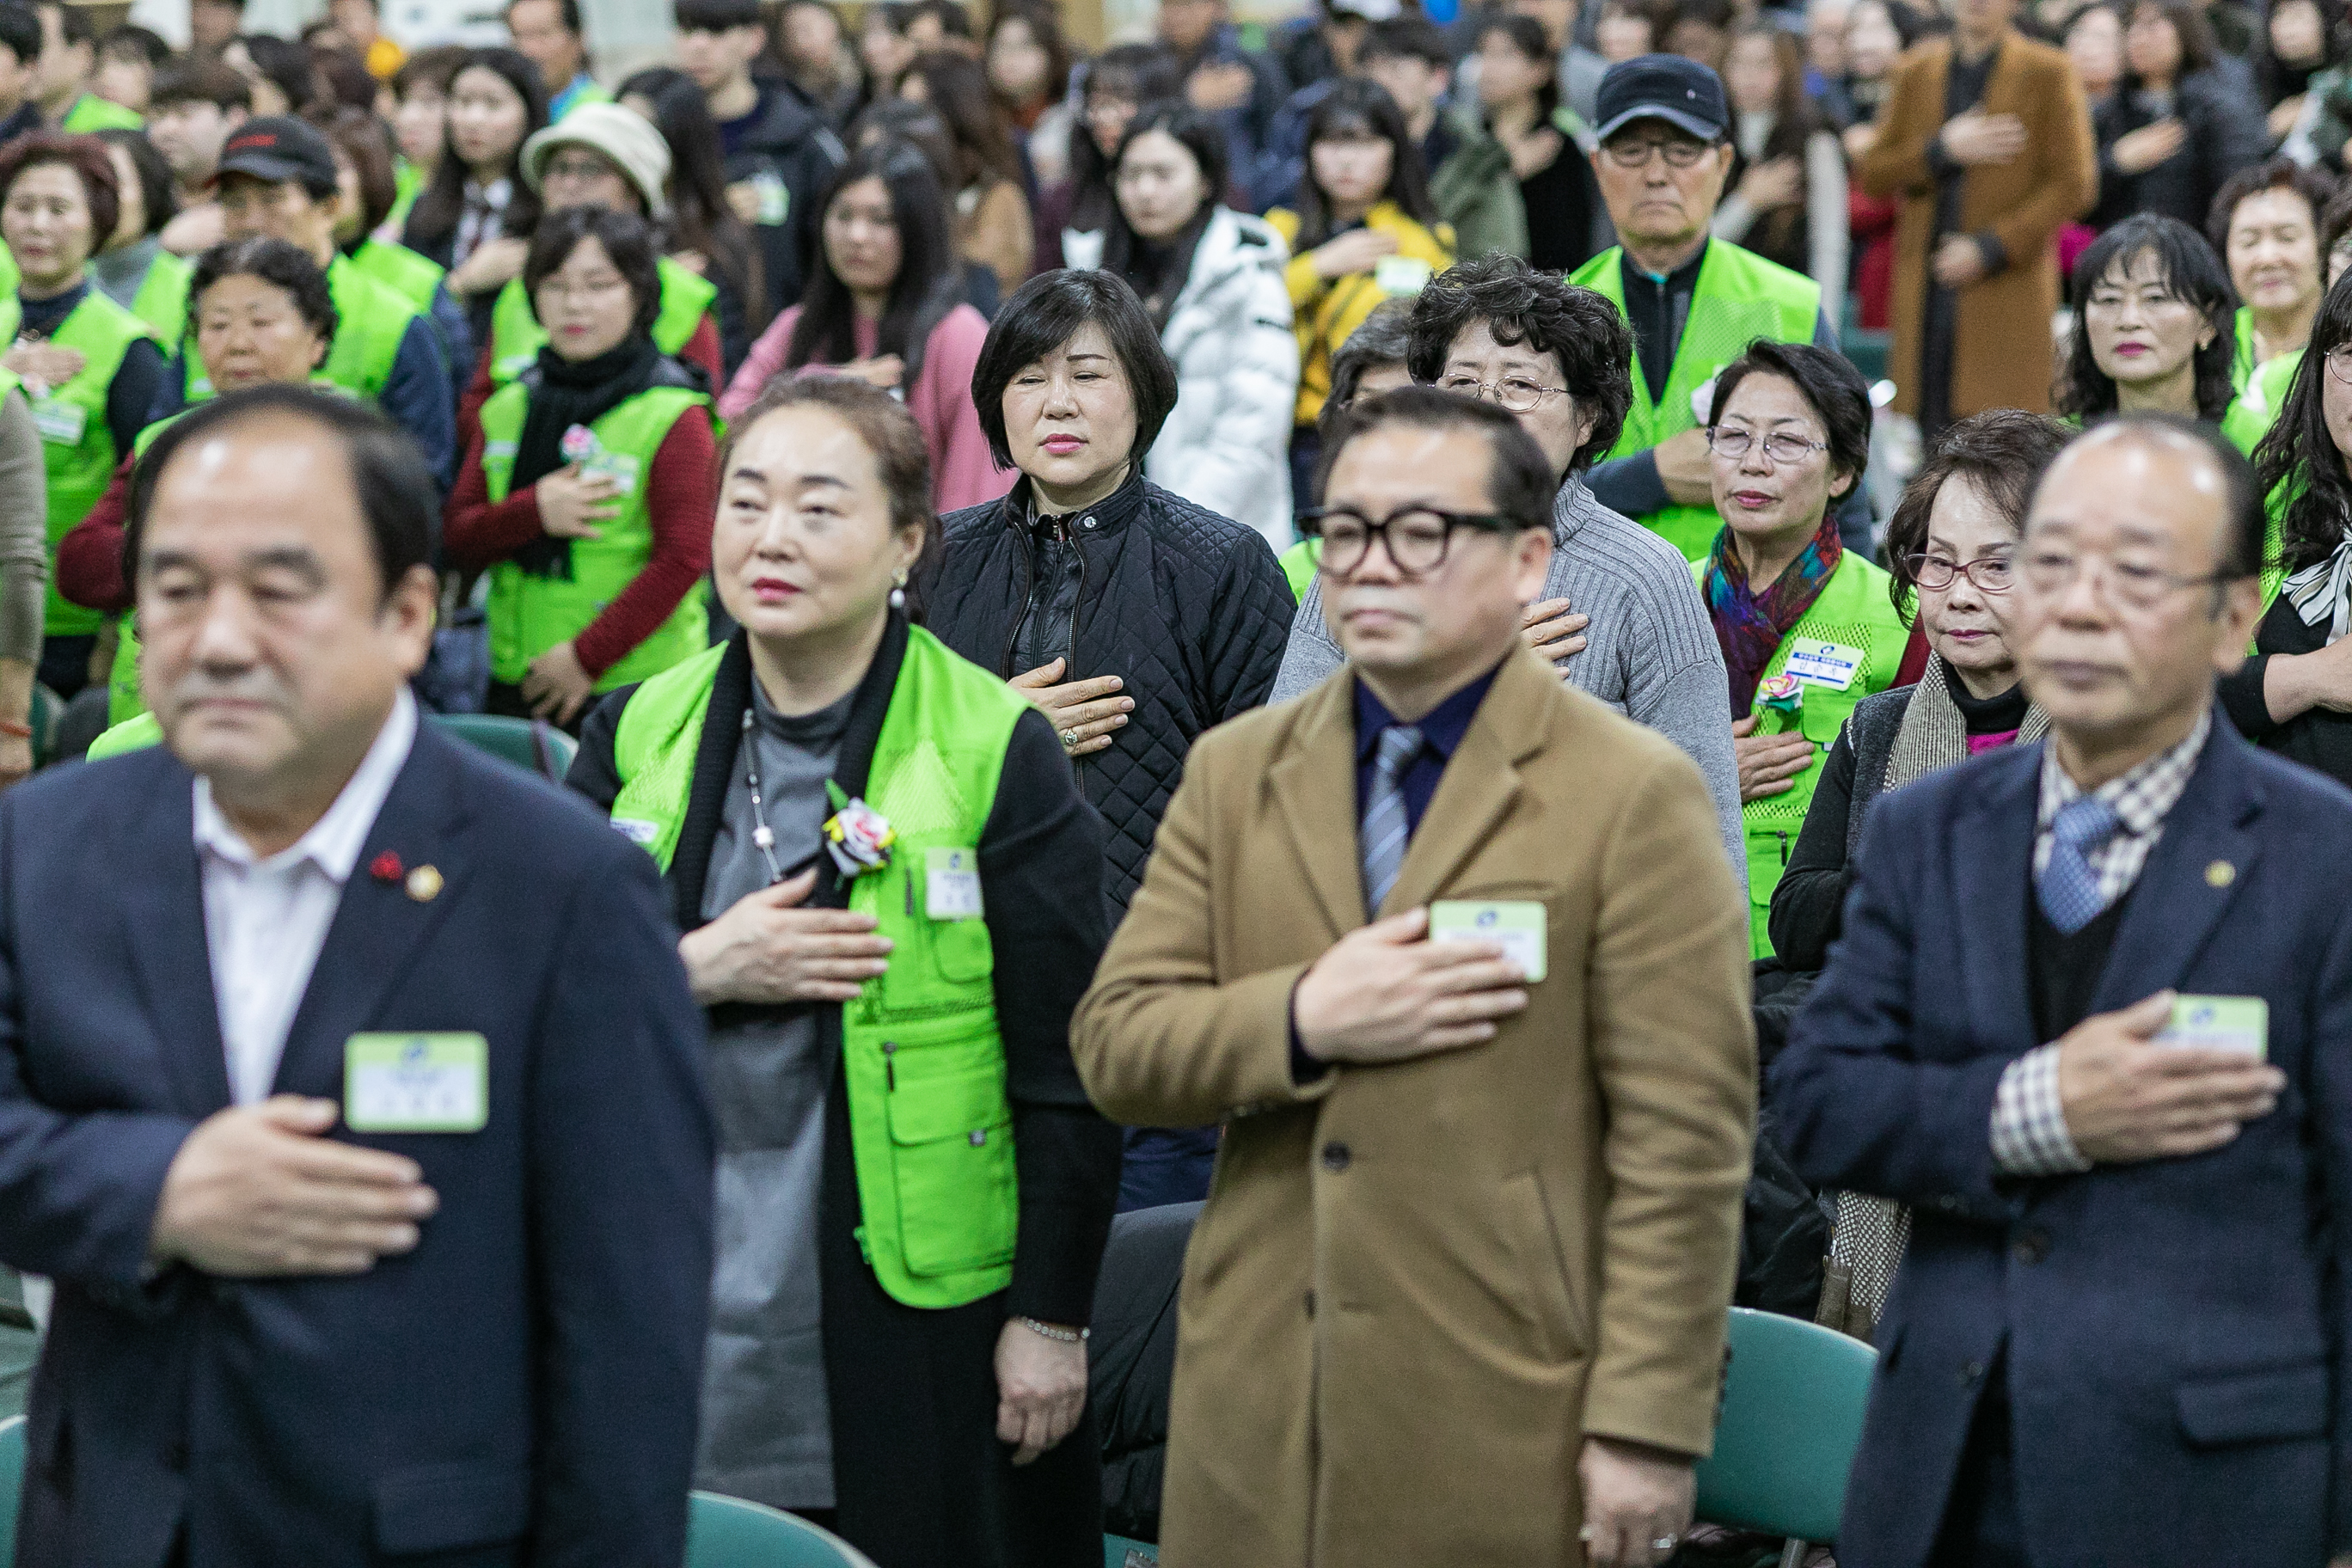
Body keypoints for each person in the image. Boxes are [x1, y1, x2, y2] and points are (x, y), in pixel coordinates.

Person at [0, 381, 714, 1565]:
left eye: (280, 590)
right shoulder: (49, 843)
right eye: (176, 589)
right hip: (117, 1527)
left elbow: (626, 1339)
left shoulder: (563, 893)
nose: (219, 638)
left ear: (408, 615)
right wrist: (158, 1188)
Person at [1071, 384, 1755, 1568]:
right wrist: (1303, 1017)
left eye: (1424, 534)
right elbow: (1123, 1047)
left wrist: (1647, 1425)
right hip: (1258, 1395)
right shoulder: (1241, 772)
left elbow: (1683, 1144)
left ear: (1529, 560)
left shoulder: (1630, 796)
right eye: (1345, 532)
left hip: (1500, 1397)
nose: (1373, 566)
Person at [1769, 415, 2348, 1568]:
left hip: (2213, 1479)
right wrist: (2035, 1111)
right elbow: (1823, 1103)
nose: (2078, 606)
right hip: (1944, 1466)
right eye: (2053, 565)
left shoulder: (2322, 862)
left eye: (2134, 574)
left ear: (2236, 614)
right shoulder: (1931, 829)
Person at [565, 373, 1118, 1568]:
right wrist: (701, 966)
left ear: (908, 541)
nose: (772, 538)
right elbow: (534, 1004)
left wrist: (1050, 1317)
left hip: (898, 1290)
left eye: (821, 508)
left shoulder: (991, 748)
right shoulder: (635, 730)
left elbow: (1067, 1061)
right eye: (747, 502)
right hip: (669, 1280)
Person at [919, 270, 1291, 1209]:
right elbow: (875, 769)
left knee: (1141, 1307)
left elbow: (1277, 801)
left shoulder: (1221, 564)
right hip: (966, 1000)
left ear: (1143, 394)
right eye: (1029, 378)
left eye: (1088, 374)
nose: (1057, 403)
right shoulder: (936, 561)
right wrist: (999, 735)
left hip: (1158, 1012)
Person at [1275, 254, 1749, 882]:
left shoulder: (1644, 576)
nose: (1486, 411)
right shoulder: (1365, 553)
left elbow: (1701, 824)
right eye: (1462, 385)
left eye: (1521, 386)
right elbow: (1284, 768)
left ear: (1586, 419)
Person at [1767, 408, 2067, 1006]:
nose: (1959, 596)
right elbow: (1795, 922)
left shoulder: (2106, 735)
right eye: (1938, 561)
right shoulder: (1878, 724)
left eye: (1997, 566)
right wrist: (1919, 860)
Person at [1570, 55, 1856, 564]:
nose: (1657, 174)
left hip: (1757, 616)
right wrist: (1650, 477)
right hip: (1588, 615)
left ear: (1724, 165)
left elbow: (1847, 489)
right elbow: (1519, 495)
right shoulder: (1561, 313)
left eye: (1682, 152)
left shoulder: (1787, 304)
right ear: (1597, 165)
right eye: (1631, 152)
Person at [445, 205, 715, 730]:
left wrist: (585, 657)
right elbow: (458, 535)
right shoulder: (508, 405)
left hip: (636, 686)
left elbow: (685, 559)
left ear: (638, 295)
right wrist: (533, 511)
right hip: (516, 677)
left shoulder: (673, 412)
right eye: (554, 285)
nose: (575, 305)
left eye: (599, 285)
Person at [58, 236, 340, 726]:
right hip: (144, 726)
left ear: (316, 338)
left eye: (261, 322)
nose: (237, 343)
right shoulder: (163, 442)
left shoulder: (349, 452)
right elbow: (78, 565)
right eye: (217, 325)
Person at [1701, 340, 1907, 957]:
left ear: (1842, 472)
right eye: (1732, 437)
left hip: (1807, 957)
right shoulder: (1658, 595)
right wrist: (1701, 778)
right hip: (1662, 927)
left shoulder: (1904, 613)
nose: (1753, 463)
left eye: (1786, 442)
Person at [722, 142, 1007, 515]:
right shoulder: (799, 324)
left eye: (880, 220)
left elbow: (974, 495)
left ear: (917, 231)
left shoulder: (957, 334)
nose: (856, 236)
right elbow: (726, 426)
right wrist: (821, 390)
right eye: (842, 216)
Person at [1857, 0, 2096, 438]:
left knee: (2004, 442)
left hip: (2006, 285)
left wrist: (1990, 247)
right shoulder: (1914, 69)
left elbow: (2075, 185)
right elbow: (1874, 172)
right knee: (1925, 437)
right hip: (1925, 290)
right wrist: (1941, 150)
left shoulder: (2048, 70)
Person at [183, 116, 456, 492]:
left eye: (273, 199)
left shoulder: (395, 323)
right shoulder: (204, 313)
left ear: (329, 208)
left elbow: (425, 483)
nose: (251, 221)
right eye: (235, 204)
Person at [0, 132, 164, 701]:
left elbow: (141, 499)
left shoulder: (129, 348)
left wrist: (113, 629)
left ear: (97, 222)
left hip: (67, 627)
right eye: (22, 207)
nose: (37, 226)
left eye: (58, 209)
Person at [1101, 101, 1298, 549]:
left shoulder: (1246, 270)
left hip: (1221, 534)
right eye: (1131, 176)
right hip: (1118, 529)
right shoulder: (1101, 266)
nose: (1145, 192)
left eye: (1164, 174)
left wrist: (1179, 527)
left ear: (1206, 180)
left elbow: (1254, 426)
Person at [1267, 79, 1455, 502]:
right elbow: (1241, 307)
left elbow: (1439, 336)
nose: (1346, 160)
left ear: (1394, 152)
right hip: (1287, 434)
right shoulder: (1280, 231)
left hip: (1384, 427)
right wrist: (1317, 267)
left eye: (1366, 143)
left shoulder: (1423, 241)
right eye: (1331, 143)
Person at [487, 101, 724, 395]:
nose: (570, 184)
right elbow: (481, 409)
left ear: (634, 193)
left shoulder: (683, 296)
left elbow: (702, 412)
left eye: (590, 170)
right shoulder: (518, 288)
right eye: (559, 168)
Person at [2226, 274, 2352, 785]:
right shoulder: (2266, 502)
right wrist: (2309, 678)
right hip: (2270, 836)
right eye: (2350, 354)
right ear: (2319, 363)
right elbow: (2175, 689)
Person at [676, 0, 844, 340]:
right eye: (686, 29)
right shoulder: (664, 136)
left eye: (717, 31)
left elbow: (833, 265)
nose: (698, 44)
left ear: (754, 39)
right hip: (686, 343)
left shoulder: (805, 140)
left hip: (786, 345)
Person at [618, 67, 772, 375]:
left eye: (644, 130)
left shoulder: (711, 238)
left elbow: (725, 367)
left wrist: (668, 289)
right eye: (619, 127)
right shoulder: (603, 224)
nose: (624, 144)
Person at [401, 48, 546, 358]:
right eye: (463, 103)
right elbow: (404, 309)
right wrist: (462, 284)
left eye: (493, 104)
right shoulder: (424, 209)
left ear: (529, 114)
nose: (472, 119)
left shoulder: (547, 211)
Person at [2088, 0, 2268, 233]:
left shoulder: (2218, 106)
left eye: (2151, 25)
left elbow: (2237, 193)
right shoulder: (2109, 113)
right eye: (2130, 26)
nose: (2137, 37)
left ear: (2184, 31)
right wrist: (2116, 163)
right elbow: (2075, 197)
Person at [1360, 16, 1529, 264]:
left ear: (1438, 79)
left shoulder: (1475, 159)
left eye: (1395, 69)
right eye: (1371, 70)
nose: (1381, 82)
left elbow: (1500, 263)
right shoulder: (1342, 149)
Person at [1718, 20, 1849, 324]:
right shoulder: (1707, 141)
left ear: (1786, 71)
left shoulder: (1815, 139)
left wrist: (1825, 326)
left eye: (1764, 64)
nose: (1750, 77)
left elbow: (1829, 242)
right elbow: (1694, 246)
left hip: (1788, 307)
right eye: (1739, 63)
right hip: (1720, 308)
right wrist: (1747, 202)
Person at [2058, 213, 2236, 429]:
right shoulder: (2061, 449)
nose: (2129, 321)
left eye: (2155, 298)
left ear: (2208, 322)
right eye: (2109, 299)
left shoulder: (2257, 442)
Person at [1476, 15, 1605, 273]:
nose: (1489, 67)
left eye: (1505, 55)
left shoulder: (1561, 149)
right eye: (1484, 54)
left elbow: (1570, 248)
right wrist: (1506, 170)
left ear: (1541, 69)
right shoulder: (1470, 140)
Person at [897, 52, 1033, 297]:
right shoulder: (896, 187)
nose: (903, 127)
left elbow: (987, 290)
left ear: (957, 118)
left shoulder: (999, 197)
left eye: (918, 113)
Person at [1041, 43, 1180, 273]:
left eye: (1122, 101)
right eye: (1096, 104)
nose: (1104, 117)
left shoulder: (1189, 189)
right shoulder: (1063, 199)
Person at [2213, 159, 2337, 393]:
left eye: (2286, 237)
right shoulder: (2210, 345)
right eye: (2248, 242)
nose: (2267, 258)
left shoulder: (2344, 341)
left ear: (2325, 246)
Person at [1157, 0, 1285, 205]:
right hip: (1165, 194)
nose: (1177, 15)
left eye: (1187, 5)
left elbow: (1278, 139)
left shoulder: (1248, 61)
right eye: (1168, 5)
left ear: (1217, 7)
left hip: (1241, 197)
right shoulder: (1149, 61)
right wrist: (1188, 100)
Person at [91, 127, 188, 346]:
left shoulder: (191, 283)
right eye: (91, 186)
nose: (102, 199)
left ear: (149, 190)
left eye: (115, 184)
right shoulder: (48, 281)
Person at [146, 57, 247, 258]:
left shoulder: (258, 195)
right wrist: (162, 249)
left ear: (235, 119)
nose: (166, 129)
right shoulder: (140, 194)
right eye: (158, 115)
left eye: (184, 114)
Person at [986, 4, 1075, 187]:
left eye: (1024, 45)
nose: (1010, 57)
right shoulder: (981, 119)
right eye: (1000, 45)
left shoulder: (1069, 120)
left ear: (1051, 54)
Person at [29, 0, 138, 134]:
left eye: (38, 46)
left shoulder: (121, 128)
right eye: (20, 48)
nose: (27, 60)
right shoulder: (11, 123)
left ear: (82, 55)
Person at [388, 45, 464, 233]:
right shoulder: (393, 181)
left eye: (429, 103)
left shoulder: (475, 197)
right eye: (403, 101)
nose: (407, 118)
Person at [505, 0, 607, 121]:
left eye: (543, 33)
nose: (529, 50)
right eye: (519, 36)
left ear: (578, 39)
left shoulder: (601, 112)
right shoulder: (507, 117)